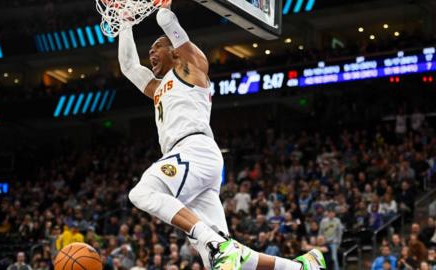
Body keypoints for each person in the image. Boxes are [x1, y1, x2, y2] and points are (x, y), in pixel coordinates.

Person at [117, 1, 325, 269]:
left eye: (155, 47)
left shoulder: (191, 68)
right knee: (226, 257)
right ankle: (301, 266)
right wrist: (124, 23)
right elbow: (128, 66)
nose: (151, 53)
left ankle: (215, 244)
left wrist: (164, 12)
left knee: (143, 192)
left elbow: (172, 27)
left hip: (194, 148)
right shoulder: (158, 88)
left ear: (174, 51)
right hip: (189, 158)